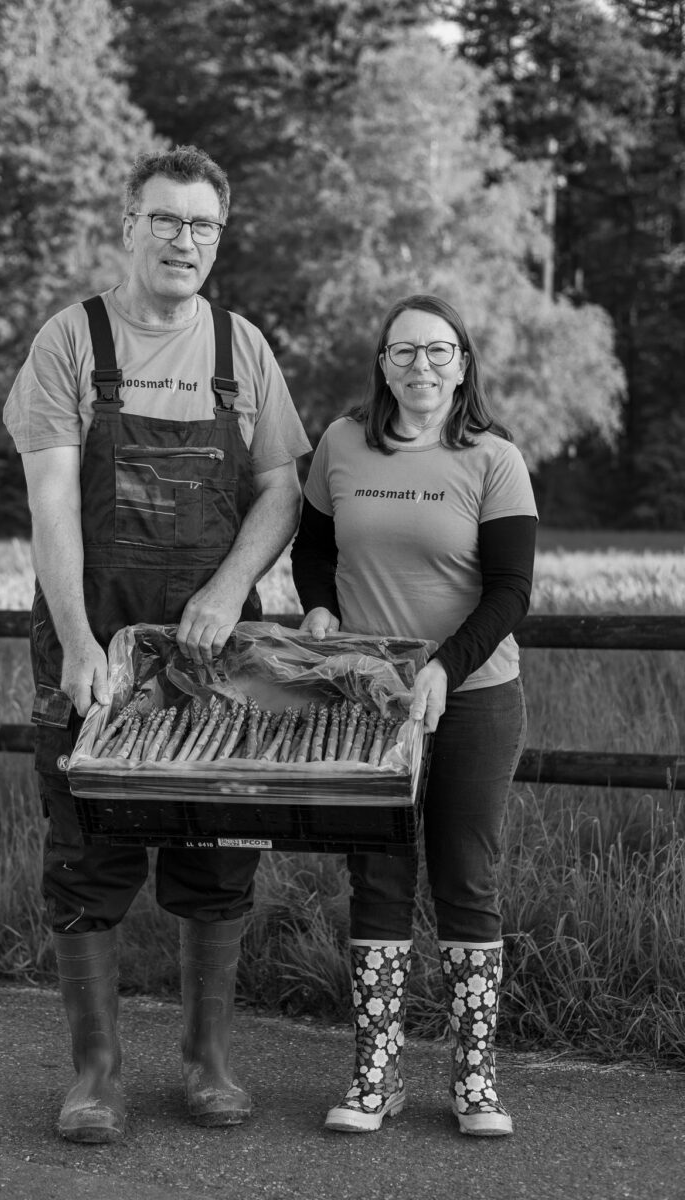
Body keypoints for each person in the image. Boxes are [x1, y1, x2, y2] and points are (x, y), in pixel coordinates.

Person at [4, 145, 311, 1143]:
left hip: (213, 653)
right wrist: (78, 638)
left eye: (202, 225)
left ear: (218, 239)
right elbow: (52, 502)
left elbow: (280, 488)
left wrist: (230, 588)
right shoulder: (70, 342)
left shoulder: (241, 348)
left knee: (217, 853)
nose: (184, 240)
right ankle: (96, 1076)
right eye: (165, 220)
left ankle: (207, 1062)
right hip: (92, 639)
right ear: (128, 228)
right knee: (87, 850)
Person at [290, 293, 537, 1137]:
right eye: (403, 352)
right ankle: (376, 1078)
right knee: (379, 882)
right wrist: (317, 610)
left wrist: (443, 669)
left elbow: (511, 591)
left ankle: (475, 1083)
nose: (420, 367)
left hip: (473, 699)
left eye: (438, 352)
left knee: (468, 882)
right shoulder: (341, 443)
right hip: (368, 703)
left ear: (463, 363)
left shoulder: (494, 458)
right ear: (382, 363)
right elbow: (314, 547)